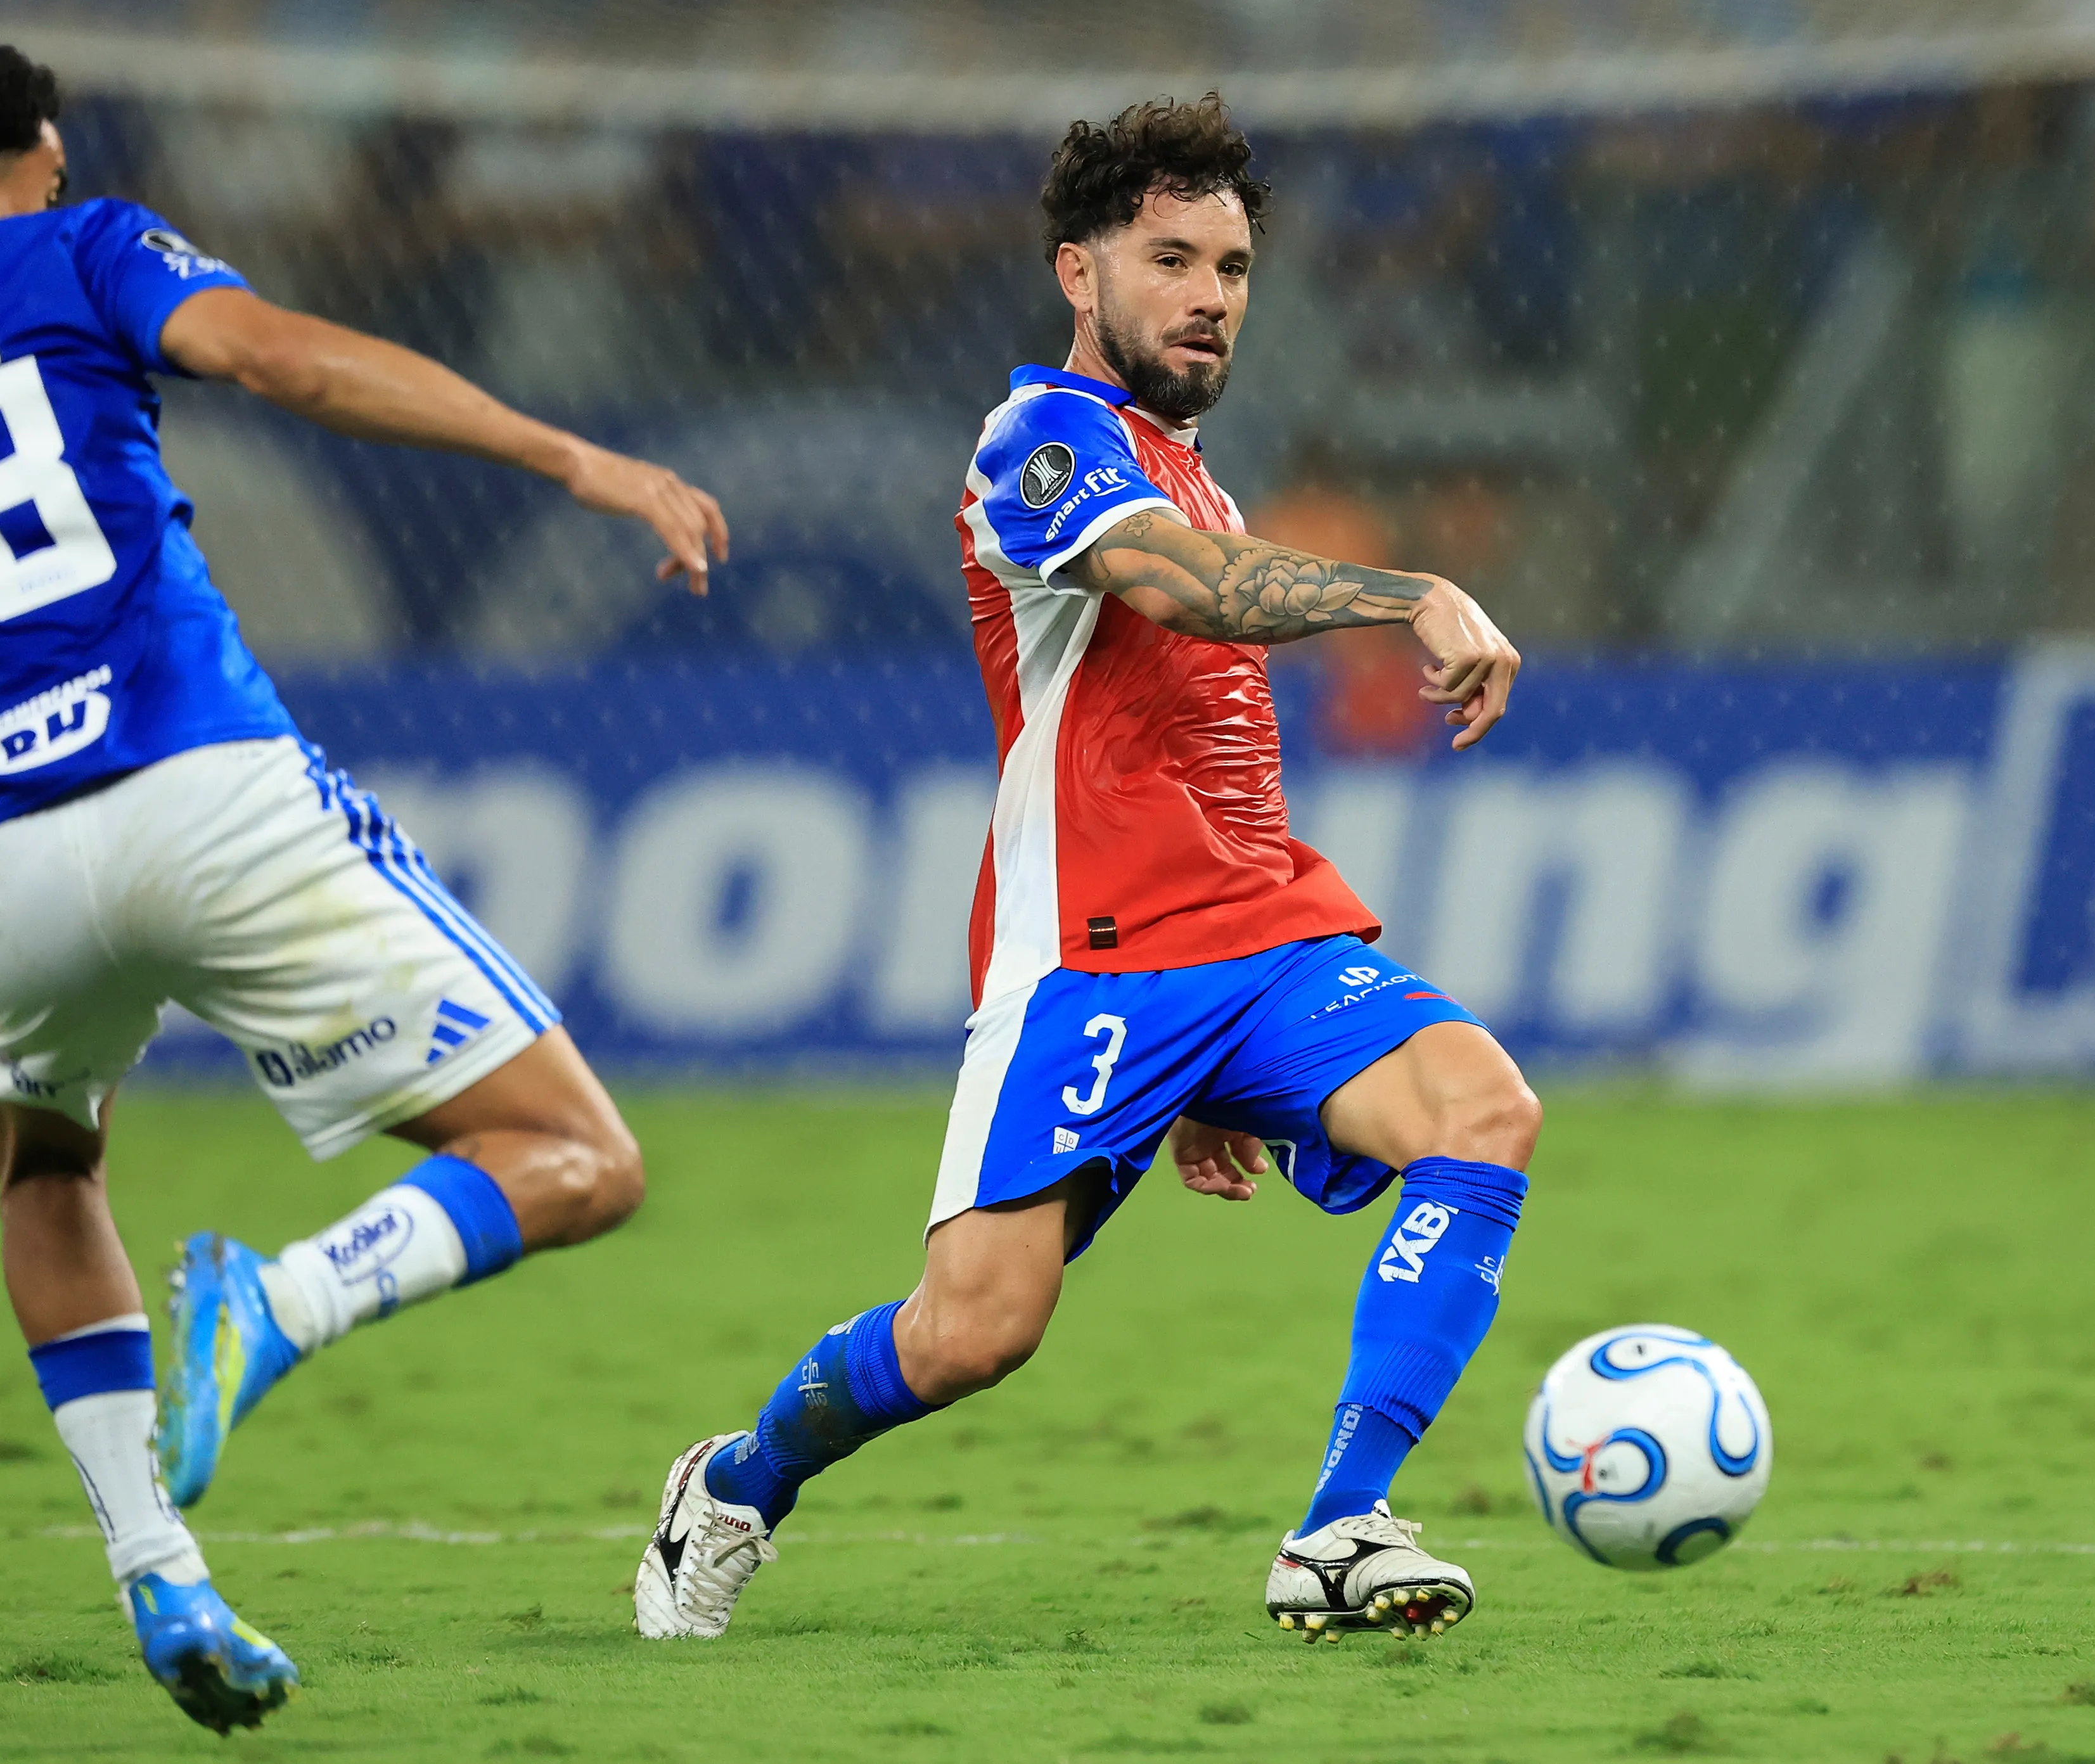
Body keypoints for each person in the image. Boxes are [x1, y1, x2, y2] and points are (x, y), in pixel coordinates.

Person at [0, 29, 726, 1734]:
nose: (56, 188)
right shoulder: (72, 253)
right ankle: (277, 1304)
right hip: (200, 795)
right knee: (573, 1155)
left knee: (49, 1172)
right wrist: (577, 459)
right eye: (42, 167)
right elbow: (287, 364)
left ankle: (157, 1563)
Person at [633, 94, 1535, 1647]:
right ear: (1079, 273)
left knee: (1481, 1110)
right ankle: (730, 1480)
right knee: (971, 1333)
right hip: (1090, 967)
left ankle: (1338, 1525)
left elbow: (1207, 727)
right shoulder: (1037, 442)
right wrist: (1412, 592)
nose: (1206, 294)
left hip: (1260, 937)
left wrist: (1218, 1062)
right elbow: (1183, 595)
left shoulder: (1200, 474)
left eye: (1233, 267)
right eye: (1169, 257)